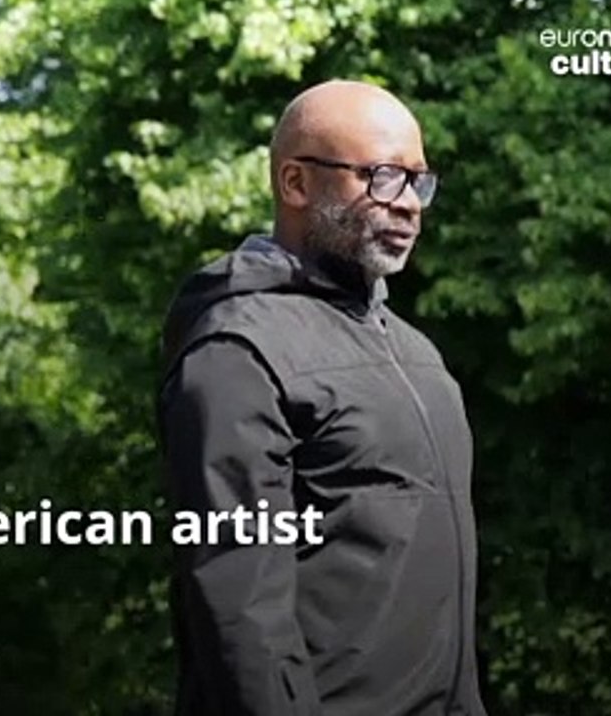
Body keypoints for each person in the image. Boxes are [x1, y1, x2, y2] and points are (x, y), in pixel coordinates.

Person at [157, 80, 487, 715]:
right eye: (383, 176)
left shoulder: (419, 355)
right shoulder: (237, 352)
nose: (409, 204)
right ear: (296, 184)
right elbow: (239, 612)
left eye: (418, 181)